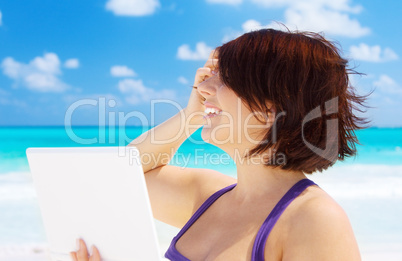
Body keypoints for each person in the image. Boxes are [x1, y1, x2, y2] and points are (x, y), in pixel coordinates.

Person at [70, 28, 368, 261]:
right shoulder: (207, 196)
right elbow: (117, 178)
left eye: (224, 78)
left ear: (272, 107)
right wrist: (191, 116)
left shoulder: (314, 220)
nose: (200, 87)